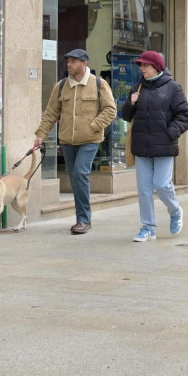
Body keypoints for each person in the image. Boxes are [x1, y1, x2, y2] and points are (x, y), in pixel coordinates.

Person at [32, 48, 116, 235]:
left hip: (90, 139)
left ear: (84, 63)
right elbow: (51, 113)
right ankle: (82, 218)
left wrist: (94, 126)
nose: (69, 64)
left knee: (80, 174)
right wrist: (41, 135)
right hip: (68, 141)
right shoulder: (61, 86)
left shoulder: (99, 84)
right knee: (75, 178)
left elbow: (110, 110)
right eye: (68, 61)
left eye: (74, 61)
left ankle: (83, 219)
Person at [119, 50, 188, 243]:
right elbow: (126, 116)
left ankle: (175, 211)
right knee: (144, 189)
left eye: (145, 65)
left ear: (156, 67)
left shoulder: (174, 88)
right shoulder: (137, 87)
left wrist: (170, 133)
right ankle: (148, 227)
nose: (142, 69)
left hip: (164, 146)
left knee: (162, 184)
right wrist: (131, 104)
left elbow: (184, 116)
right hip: (142, 146)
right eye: (141, 66)